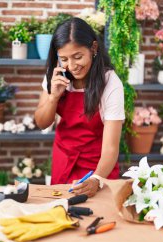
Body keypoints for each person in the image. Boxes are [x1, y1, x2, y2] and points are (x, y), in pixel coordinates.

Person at [34, 17, 125, 197]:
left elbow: (111, 148)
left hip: (98, 165)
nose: (72, 66)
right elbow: (41, 122)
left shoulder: (110, 83)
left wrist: (97, 179)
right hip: (63, 159)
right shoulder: (56, 76)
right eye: (64, 59)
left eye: (78, 57)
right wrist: (53, 97)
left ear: (93, 48)